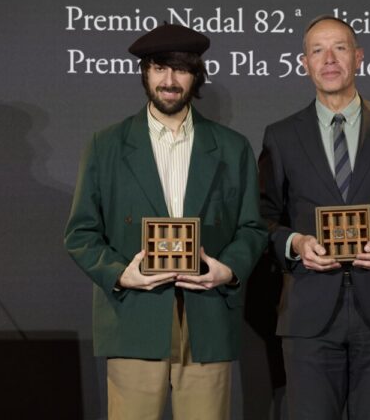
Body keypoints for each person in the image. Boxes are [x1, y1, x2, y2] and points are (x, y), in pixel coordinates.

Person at [65, 24, 267, 420]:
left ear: (196, 75)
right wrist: (121, 274)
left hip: (207, 316)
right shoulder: (106, 145)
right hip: (134, 316)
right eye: (159, 68)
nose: (169, 81)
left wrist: (228, 270)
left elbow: (252, 228)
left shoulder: (232, 147)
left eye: (181, 69)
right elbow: (80, 233)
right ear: (145, 73)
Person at [258, 15, 370, 419]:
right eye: (317, 50)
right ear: (304, 63)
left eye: (339, 48)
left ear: (358, 57)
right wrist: (295, 243)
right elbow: (262, 217)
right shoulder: (281, 135)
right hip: (308, 313)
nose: (329, 59)